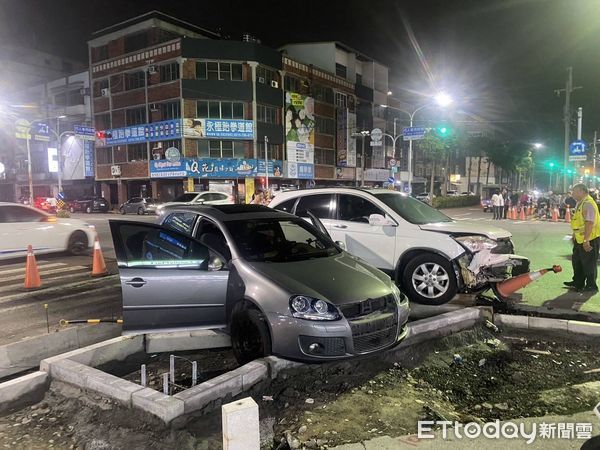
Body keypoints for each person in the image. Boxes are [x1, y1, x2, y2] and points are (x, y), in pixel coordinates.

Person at [564, 184, 600, 293]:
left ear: (581, 191)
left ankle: (591, 286)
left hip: (590, 238)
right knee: (577, 261)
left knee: (589, 263)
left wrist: (586, 240)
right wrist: (575, 235)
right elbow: (579, 222)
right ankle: (577, 282)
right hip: (580, 238)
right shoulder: (581, 203)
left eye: (574, 191)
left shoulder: (588, 203)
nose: (572, 194)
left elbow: (590, 223)